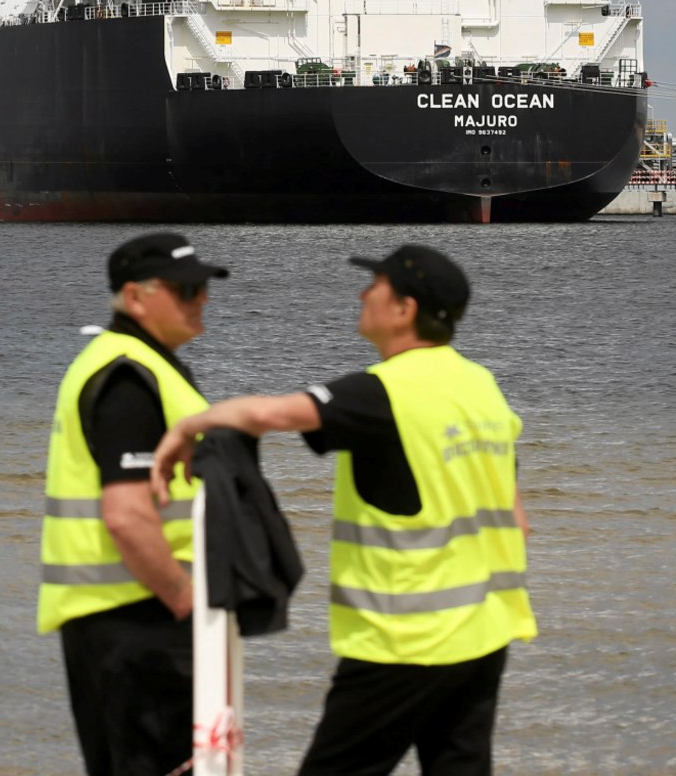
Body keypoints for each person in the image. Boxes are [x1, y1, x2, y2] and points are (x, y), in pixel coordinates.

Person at [151, 244, 535, 776]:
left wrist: (187, 427)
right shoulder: (481, 386)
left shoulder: (385, 392)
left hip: (405, 642)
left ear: (403, 309)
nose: (361, 295)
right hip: (484, 636)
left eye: (374, 286)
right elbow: (517, 518)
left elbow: (270, 414)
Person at [38, 232, 230, 776]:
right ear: (134, 297)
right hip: (141, 621)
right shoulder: (128, 377)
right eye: (185, 290)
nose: (201, 299)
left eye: (202, 288)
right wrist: (186, 603)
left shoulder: (140, 365)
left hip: (126, 620)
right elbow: (125, 515)